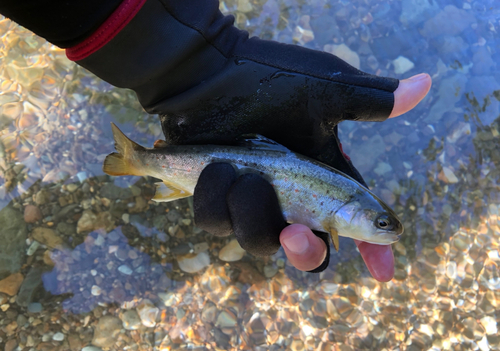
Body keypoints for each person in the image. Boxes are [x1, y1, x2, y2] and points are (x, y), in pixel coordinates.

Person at [0, 0, 431, 281]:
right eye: (381, 223)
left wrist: (186, 67)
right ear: (355, 212)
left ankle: (144, 160)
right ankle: (141, 160)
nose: (386, 230)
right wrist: (192, 63)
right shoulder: (346, 197)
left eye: (382, 224)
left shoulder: (349, 198)